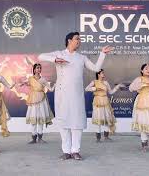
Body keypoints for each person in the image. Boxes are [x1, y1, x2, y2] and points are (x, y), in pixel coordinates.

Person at [38, 32, 113, 160]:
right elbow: (41, 56)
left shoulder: (81, 58)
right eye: (77, 39)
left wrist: (102, 54)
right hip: (62, 94)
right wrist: (55, 59)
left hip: (77, 95)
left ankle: (75, 150)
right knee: (63, 121)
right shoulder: (59, 54)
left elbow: (95, 68)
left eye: (80, 39)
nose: (79, 41)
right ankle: (66, 151)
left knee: (77, 122)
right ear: (69, 40)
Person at [85, 69, 124, 142]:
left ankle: (106, 137)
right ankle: (98, 138)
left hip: (105, 101)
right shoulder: (94, 82)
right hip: (97, 102)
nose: (103, 74)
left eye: (103, 73)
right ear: (98, 74)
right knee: (98, 119)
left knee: (107, 119)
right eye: (102, 73)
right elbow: (86, 89)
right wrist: (95, 88)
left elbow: (111, 92)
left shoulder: (106, 83)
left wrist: (117, 87)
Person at [20, 63, 54, 144]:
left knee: (41, 118)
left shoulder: (43, 79)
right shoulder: (30, 79)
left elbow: (51, 89)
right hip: (33, 100)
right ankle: (33, 138)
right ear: (34, 69)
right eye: (37, 68)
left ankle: (40, 138)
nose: (39, 69)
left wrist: (56, 85)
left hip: (42, 100)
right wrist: (22, 83)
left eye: (40, 68)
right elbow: (26, 83)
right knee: (33, 118)